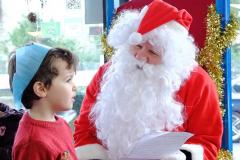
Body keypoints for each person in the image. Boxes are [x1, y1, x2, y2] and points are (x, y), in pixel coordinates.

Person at [73, 0, 223, 160]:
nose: (140, 56)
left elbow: (207, 139)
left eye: (152, 51)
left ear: (170, 57)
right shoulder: (107, 74)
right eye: (137, 45)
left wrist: (179, 157)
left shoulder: (197, 82)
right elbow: (84, 130)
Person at [9, 43, 78, 160]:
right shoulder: (32, 144)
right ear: (41, 89)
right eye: (68, 80)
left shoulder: (61, 123)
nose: (74, 87)